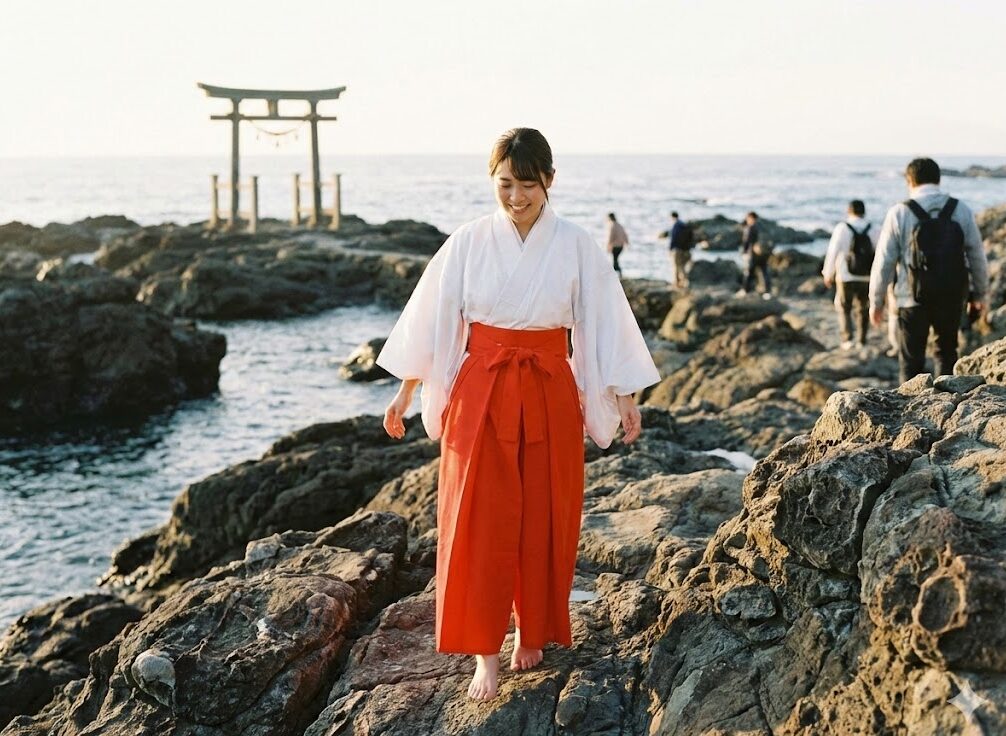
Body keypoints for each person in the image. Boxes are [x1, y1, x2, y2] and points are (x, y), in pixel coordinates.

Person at [376, 128, 660, 702]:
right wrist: (406, 391)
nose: (516, 196)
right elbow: (435, 321)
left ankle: (531, 630)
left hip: (550, 387)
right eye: (505, 183)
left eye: (528, 184)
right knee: (478, 517)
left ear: (549, 181)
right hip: (481, 390)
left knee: (544, 512)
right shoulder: (468, 241)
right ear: (493, 180)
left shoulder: (576, 245)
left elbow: (603, 321)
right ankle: (485, 650)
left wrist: (624, 395)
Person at [869, 158, 989, 385]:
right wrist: (980, 294)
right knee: (946, 352)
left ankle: (910, 404)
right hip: (951, 296)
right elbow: (977, 256)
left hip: (911, 298)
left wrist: (876, 301)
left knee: (911, 360)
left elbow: (884, 261)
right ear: (938, 179)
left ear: (909, 181)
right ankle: (948, 401)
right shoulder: (960, 209)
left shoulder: (899, 213)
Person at [822, 200, 878, 349]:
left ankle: (847, 339)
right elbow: (880, 252)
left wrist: (828, 273)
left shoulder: (842, 228)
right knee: (863, 308)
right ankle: (862, 340)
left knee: (844, 307)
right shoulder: (873, 228)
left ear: (849, 211)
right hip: (867, 276)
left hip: (845, 275)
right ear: (864, 212)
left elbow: (833, 252)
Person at [738, 211, 772, 298]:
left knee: (749, 272)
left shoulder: (750, 228)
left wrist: (744, 252)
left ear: (751, 218)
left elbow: (746, 241)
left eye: (747, 218)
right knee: (765, 272)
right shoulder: (763, 226)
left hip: (753, 253)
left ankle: (745, 290)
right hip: (764, 253)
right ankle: (767, 292)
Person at [659, 211, 692, 288]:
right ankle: (683, 282)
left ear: (672, 217)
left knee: (677, 266)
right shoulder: (684, 225)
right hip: (686, 249)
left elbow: (674, 238)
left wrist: (671, 249)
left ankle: (678, 283)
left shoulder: (676, 225)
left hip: (677, 249)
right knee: (682, 266)